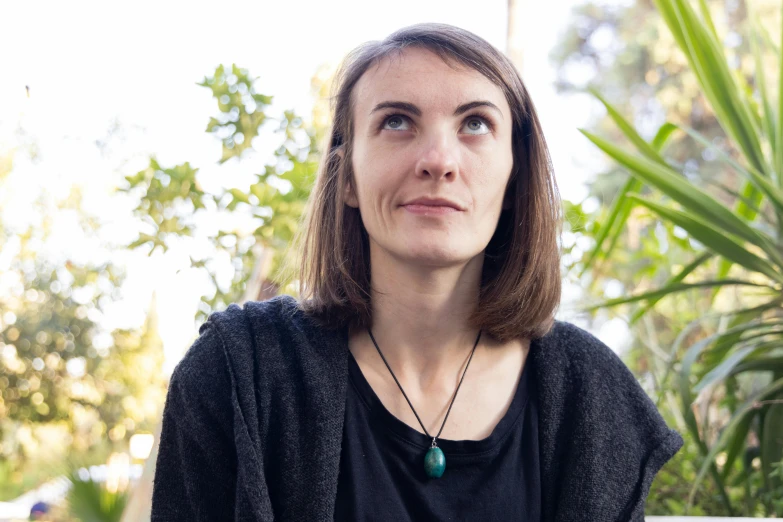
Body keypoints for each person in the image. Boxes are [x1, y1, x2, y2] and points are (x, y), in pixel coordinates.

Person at [151, 23, 683, 522]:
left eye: (475, 124)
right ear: (348, 179)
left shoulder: (593, 397)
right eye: (396, 122)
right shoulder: (234, 376)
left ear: (515, 177)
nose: (438, 159)